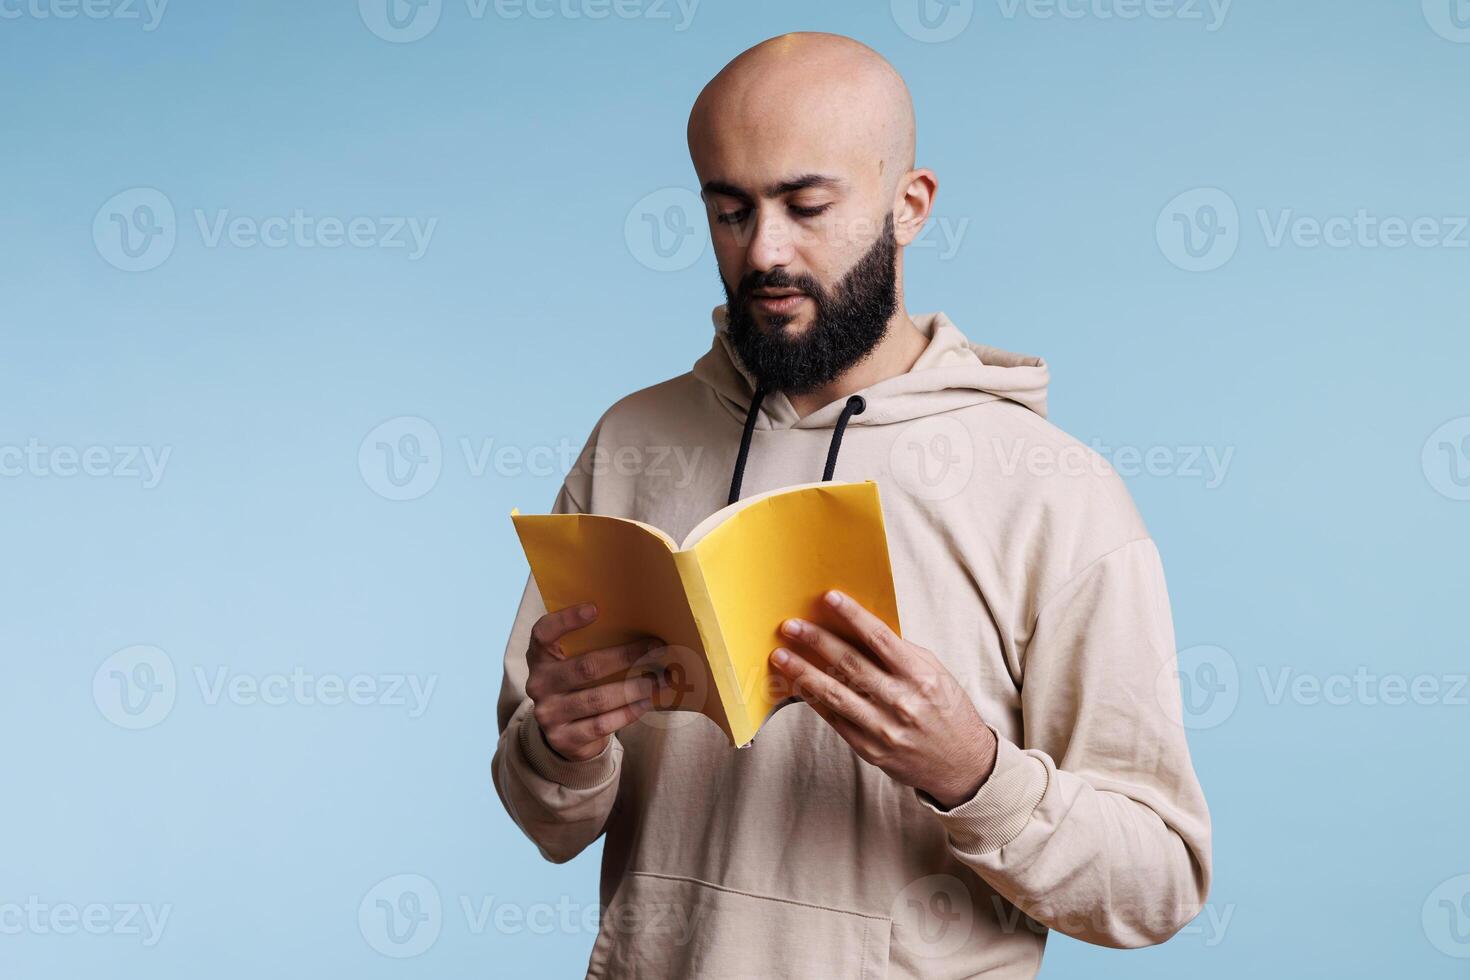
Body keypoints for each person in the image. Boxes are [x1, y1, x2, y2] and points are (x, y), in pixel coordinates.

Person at [492, 31, 1211, 979]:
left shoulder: (1054, 492)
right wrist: (558, 745)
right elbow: (550, 821)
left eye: (806, 205)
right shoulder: (633, 440)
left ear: (909, 206)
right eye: (730, 210)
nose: (765, 252)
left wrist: (974, 775)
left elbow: (1156, 883)